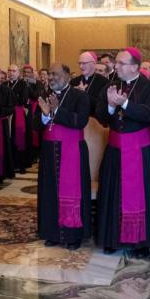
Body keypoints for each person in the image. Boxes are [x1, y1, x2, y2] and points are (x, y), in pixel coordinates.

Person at [95, 48, 150, 257]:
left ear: (134, 66)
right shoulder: (109, 86)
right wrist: (111, 107)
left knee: (142, 194)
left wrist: (123, 103)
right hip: (115, 149)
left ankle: (141, 242)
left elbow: (148, 114)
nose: (116, 66)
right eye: (117, 63)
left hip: (141, 151)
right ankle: (111, 238)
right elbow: (101, 118)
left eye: (122, 63)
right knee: (112, 193)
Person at [34, 64, 91, 250]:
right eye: (49, 74)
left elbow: (80, 121)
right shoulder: (43, 95)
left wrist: (57, 111)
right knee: (49, 192)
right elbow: (34, 125)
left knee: (72, 192)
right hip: (50, 151)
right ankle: (52, 233)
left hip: (72, 150)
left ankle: (72, 235)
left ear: (67, 76)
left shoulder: (80, 96)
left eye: (55, 74)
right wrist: (44, 116)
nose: (51, 77)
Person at [0, 66, 15, 183]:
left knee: (1, 149)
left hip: (1, 122)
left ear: (0, 75)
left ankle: (1, 173)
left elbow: (11, 108)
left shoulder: (7, 90)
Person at [6, 64, 33, 173]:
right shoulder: (5, 84)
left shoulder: (23, 84)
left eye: (14, 71)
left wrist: (11, 100)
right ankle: (12, 163)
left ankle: (21, 164)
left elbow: (23, 99)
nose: (11, 73)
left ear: (18, 73)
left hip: (18, 115)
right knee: (10, 139)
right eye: (9, 70)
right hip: (7, 115)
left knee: (20, 139)